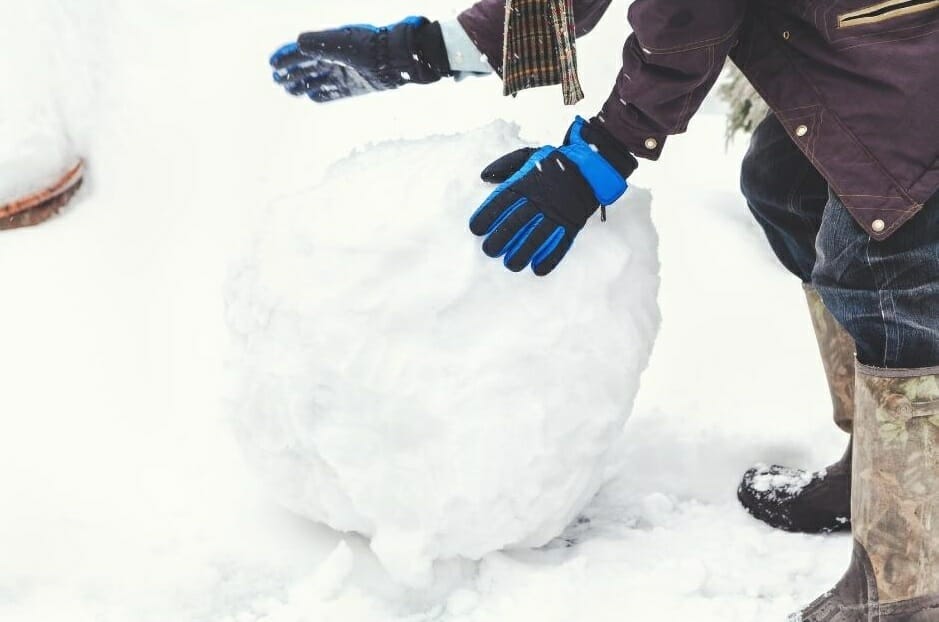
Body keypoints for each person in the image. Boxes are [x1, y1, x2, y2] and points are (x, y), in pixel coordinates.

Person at [270, 2, 939, 619]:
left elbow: (693, 11)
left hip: (907, 63)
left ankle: (907, 584)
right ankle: (877, 468)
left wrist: (604, 151)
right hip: (868, 44)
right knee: (784, 184)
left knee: (880, 270)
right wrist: (424, 47)